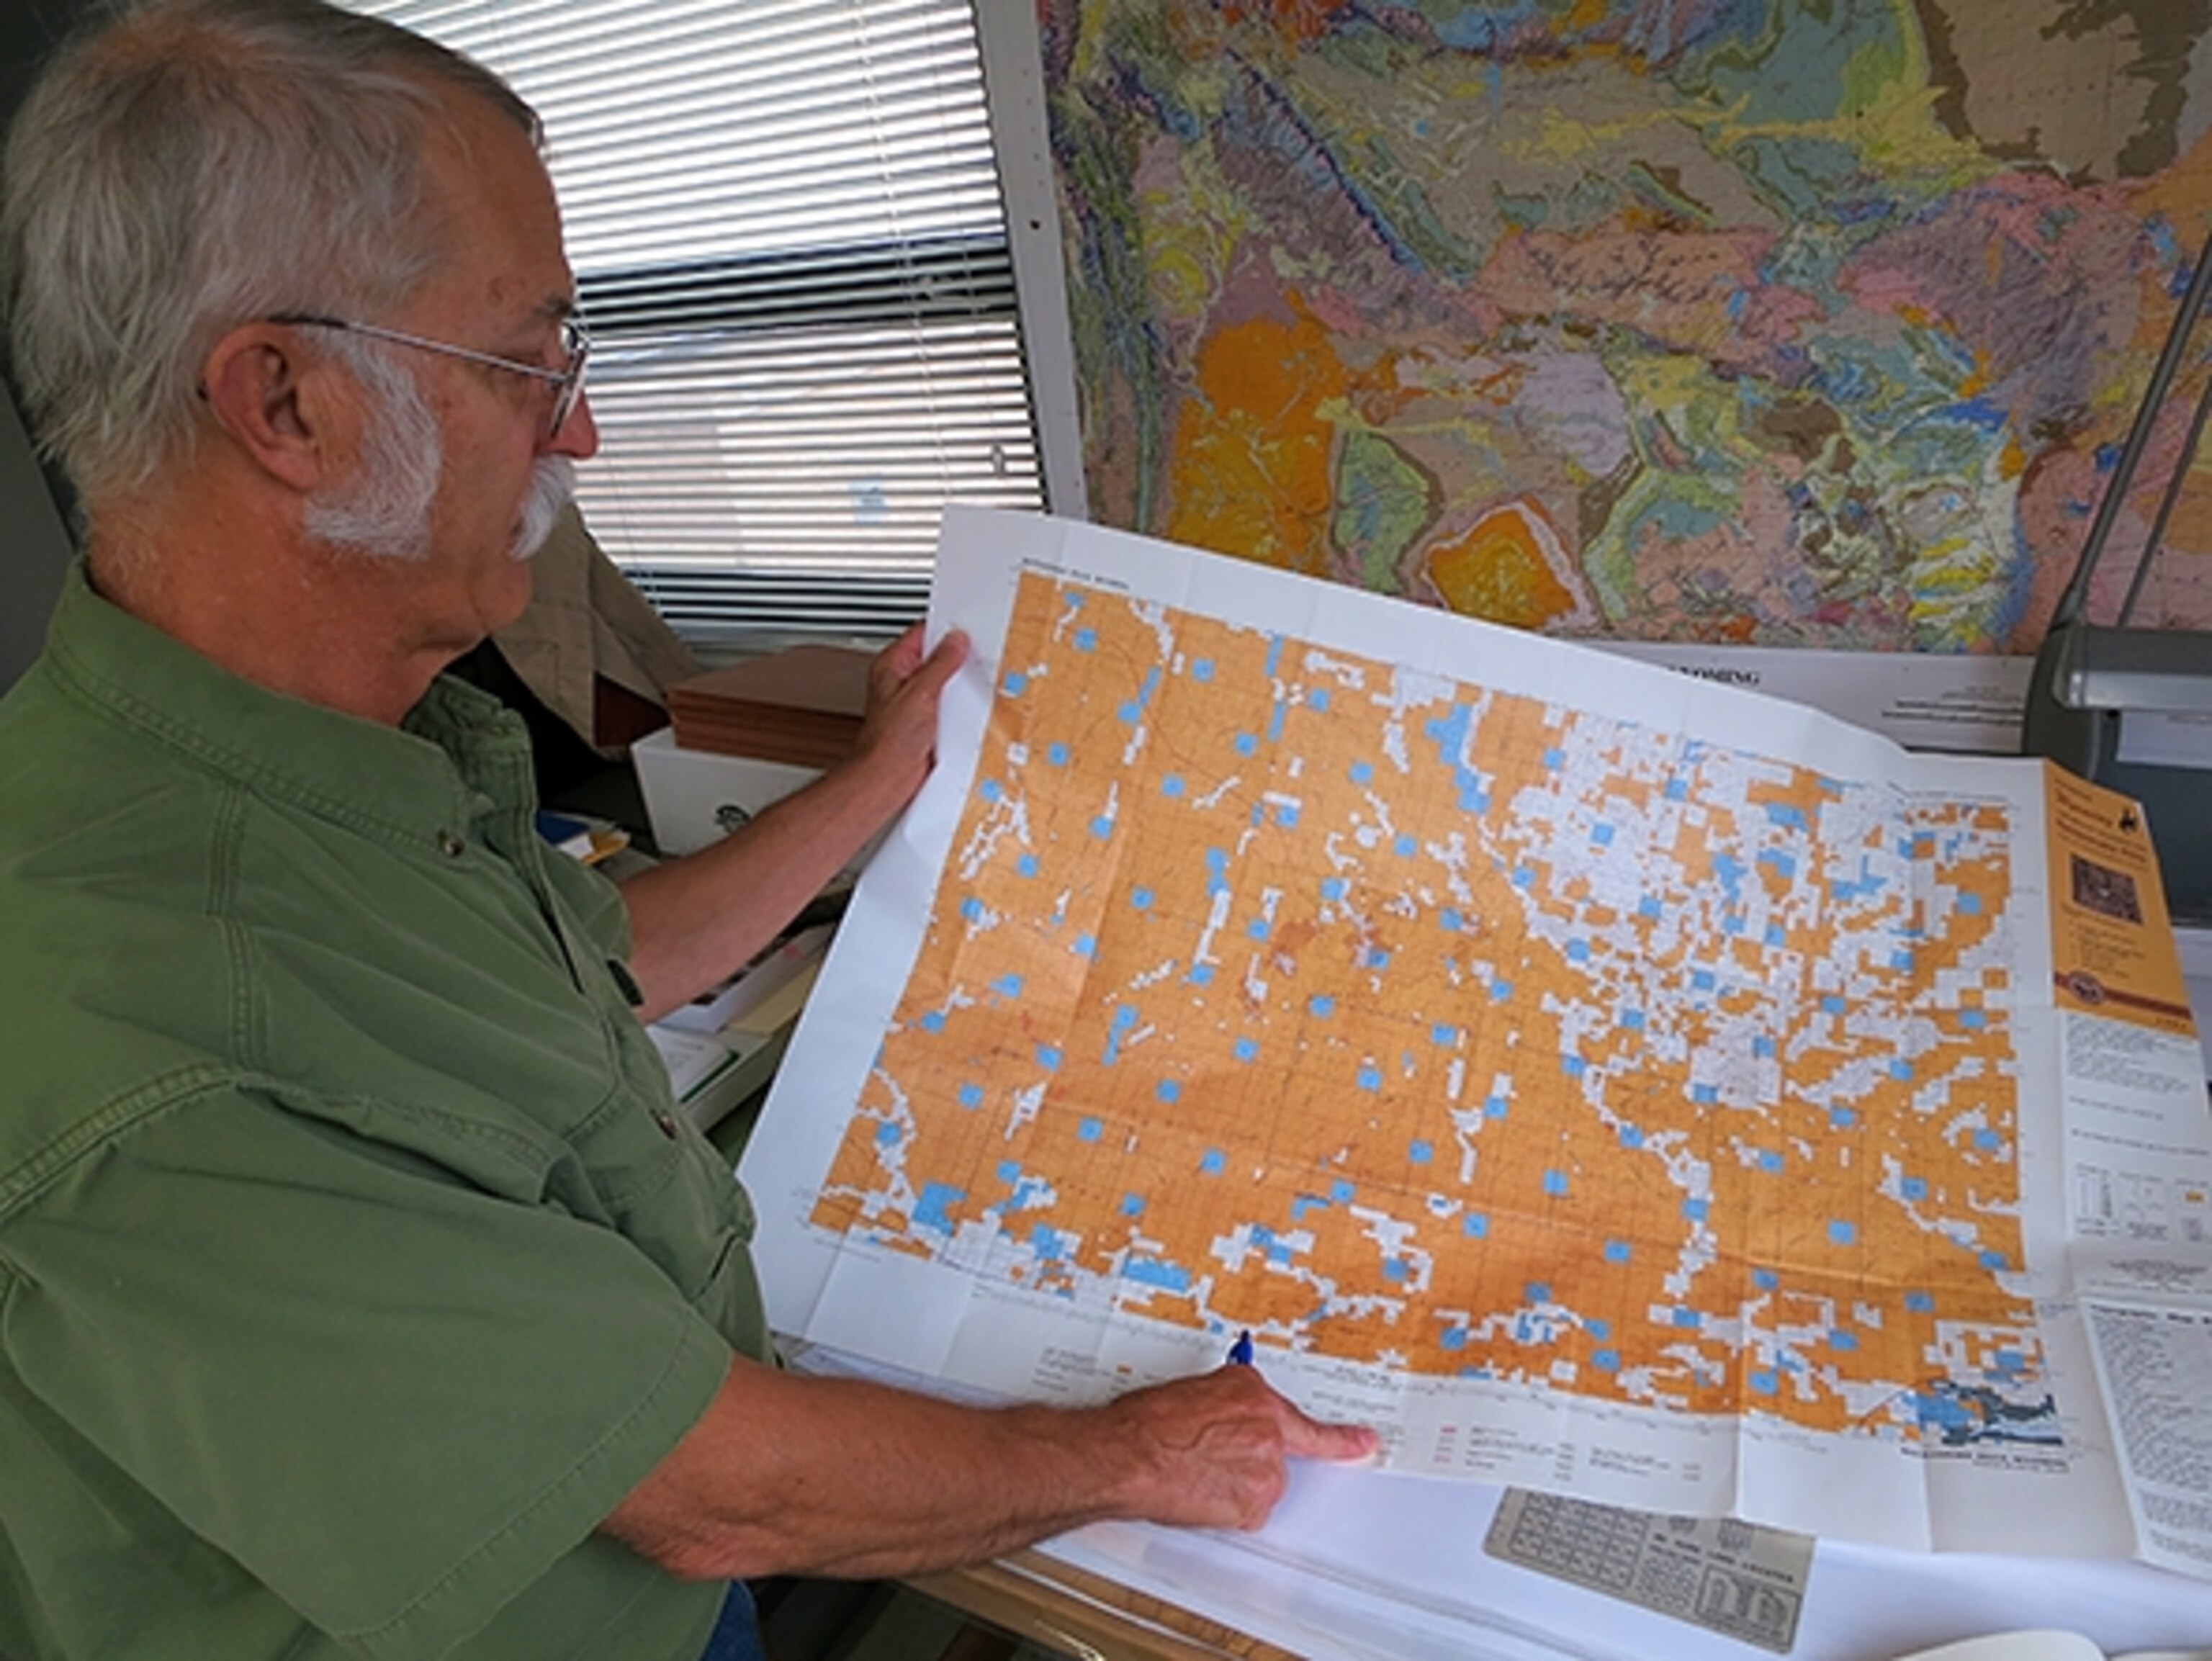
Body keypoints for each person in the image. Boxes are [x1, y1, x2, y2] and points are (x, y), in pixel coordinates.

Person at [0, 4, 1379, 1660]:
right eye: (532, 359)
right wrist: (1143, 1452)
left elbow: (593, 969)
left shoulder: (324, 754)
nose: (575, 431)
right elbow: (709, 1488)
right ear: (286, 406)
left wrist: (874, 781)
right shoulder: (147, 1020)